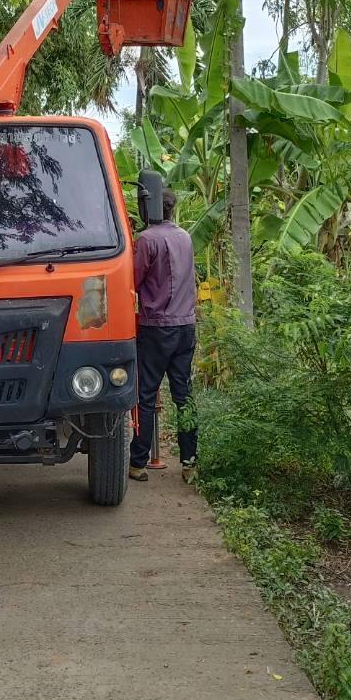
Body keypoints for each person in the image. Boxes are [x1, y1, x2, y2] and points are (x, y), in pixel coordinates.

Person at [129, 188, 198, 483]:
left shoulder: (146, 240)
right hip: (186, 327)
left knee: (145, 395)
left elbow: (131, 279)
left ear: (149, 208)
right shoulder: (185, 236)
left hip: (156, 328)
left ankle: (138, 463)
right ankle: (189, 461)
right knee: (184, 396)